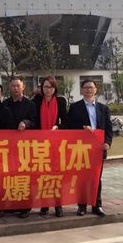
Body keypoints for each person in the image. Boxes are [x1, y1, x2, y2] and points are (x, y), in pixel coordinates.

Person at [66, 79, 113, 217]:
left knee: (96, 178)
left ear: (96, 90)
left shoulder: (103, 108)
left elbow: (108, 128)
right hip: (81, 148)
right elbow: (69, 126)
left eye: (91, 87)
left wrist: (108, 143)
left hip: (98, 149)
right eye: (86, 87)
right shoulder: (75, 107)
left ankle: (97, 205)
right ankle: (82, 206)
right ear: (82, 90)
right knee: (82, 178)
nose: (88, 90)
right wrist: (82, 128)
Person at [2, 75, 37, 218]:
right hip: (8, 146)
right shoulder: (5, 103)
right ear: (9, 88)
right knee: (10, 176)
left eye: (18, 86)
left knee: (24, 177)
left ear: (23, 87)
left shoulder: (30, 104)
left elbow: (35, 123)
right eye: (13, 86)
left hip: (24, 146)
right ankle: (12, 204)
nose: (16, 88)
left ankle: (25, 206)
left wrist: (26, 123)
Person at [32, 75, 67, 218]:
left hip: (56, 144)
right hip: (39, 144)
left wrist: (58, 126)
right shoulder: (36, 101)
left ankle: (58, 205)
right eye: (46, 87)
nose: (48, 90)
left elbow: (66, 121)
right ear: (41, 88)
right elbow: (33, 120)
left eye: (51, 87)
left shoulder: (60, 101)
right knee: (42, 176)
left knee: (56, 175)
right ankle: (44, 205)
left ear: (55, 88)